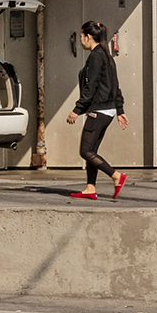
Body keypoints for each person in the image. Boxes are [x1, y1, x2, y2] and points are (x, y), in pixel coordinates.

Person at [65, 20, 127, 199]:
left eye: (82, 37)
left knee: (85, 151)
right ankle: (90, 188)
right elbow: (115, 85)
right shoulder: (106, 55)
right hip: (107, 111)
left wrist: (77, 110)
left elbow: (90, 87)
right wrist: (120, 109)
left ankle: (116, 176)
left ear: (88, 36)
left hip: (98, 110)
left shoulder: (95, 56)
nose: (80, 41)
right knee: (92, 150)